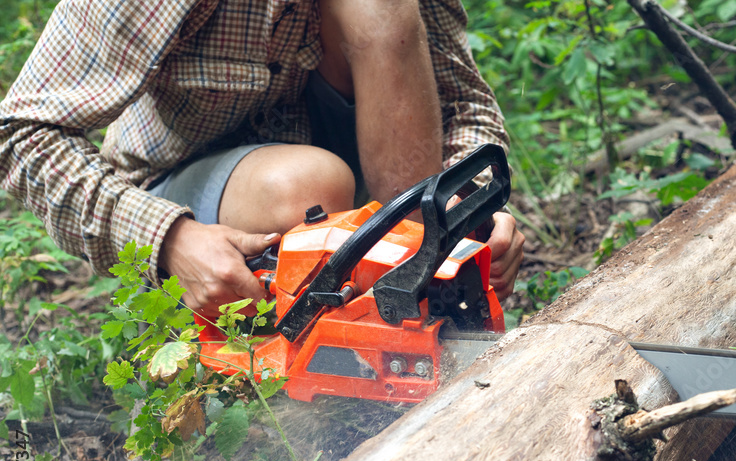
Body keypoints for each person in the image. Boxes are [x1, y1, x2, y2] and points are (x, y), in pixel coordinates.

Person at [0, 0, 524, 318]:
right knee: (308, 186)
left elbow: (460, 100)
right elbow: (20, 133)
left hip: (357, 193)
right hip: (182, 190)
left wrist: (470, 206)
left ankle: (418, 280)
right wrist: (171, 241)